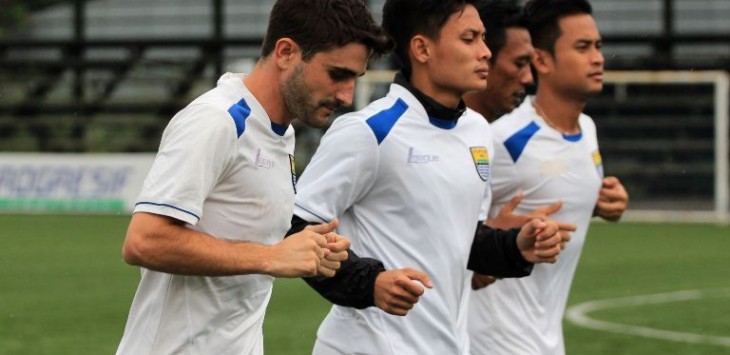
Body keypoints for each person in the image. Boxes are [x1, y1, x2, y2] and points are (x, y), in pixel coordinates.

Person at [289, 0, 569, 354]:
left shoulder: (477, 131)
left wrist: (516, 246)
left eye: (484, 39)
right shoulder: (370, 131)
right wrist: (370, 282)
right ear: (422, 48)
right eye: (469, 39)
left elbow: (462, 239)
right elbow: (298, 226)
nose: (485, 52)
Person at [115, 1, 392, 354]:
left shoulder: (280, 133)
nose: (346, 96)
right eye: (337, 74)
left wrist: (311, 249)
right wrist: (272, 256)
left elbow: (243, 232)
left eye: (355, 79)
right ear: (286, 52)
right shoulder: (217, 120)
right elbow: (144, 241)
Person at [466, 0, 629, 354]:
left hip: (547, 335)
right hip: (493, 338)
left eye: (598, 46)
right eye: (582, 47)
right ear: (542, 60)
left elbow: (557, 193)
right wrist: (488, 236)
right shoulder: (503, 137)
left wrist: (603, 204)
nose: (598, 58)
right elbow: (440, 218)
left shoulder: (587, 129)